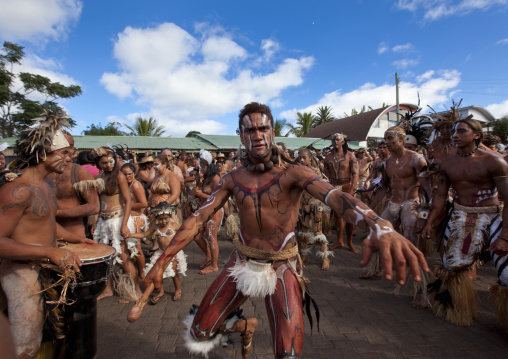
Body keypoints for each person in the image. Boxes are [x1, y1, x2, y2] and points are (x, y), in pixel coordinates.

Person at [135, 102, 428, 359]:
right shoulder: (232, 179)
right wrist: (161, 262)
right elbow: (197, 219)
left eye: (263, 128)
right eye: (250, 131)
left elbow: (335, 197)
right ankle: (245, 325)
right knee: (199, 332)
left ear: (272, 132)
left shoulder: (294, 173)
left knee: (287, 354)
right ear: (241, 136)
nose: (258, 135)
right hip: (242, 263)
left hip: (282, 265)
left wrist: (377, 223)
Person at [0, 112, 88, 358]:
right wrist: (49, 251)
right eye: (64, 153)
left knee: (54, 339)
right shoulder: (17, 191)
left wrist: (78, 240)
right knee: (24, 348)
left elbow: (47, 223)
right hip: (21, 272)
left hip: (47, 268)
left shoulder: (47, 185)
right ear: (42, 154)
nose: (69, 159)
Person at [422, 118, 508, 328]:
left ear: (476, 135)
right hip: (460, 217)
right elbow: (441, 196)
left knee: (507, 274)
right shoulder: (448, 164)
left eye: (461, 131)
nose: (455, 135)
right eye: (453, 132)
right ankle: (458, 310)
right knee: (451, 266)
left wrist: (505, 235)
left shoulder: (494, 161)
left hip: (493, 218)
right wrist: (428, 221)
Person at [92, 146, 134, 301]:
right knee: (105, 258)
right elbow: (97, 202)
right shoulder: (99, 178)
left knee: (124, 257)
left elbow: (128, 201)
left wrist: (124, 224)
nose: (108, 165)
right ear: (99, 164)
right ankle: (108, 289)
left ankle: (135, 291)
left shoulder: (120, 177)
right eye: (104, 163)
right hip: (103, 221)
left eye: (110, 161)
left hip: (117, 220)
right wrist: (94, 222)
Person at [130, 202, 187, 303]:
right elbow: (144, 234)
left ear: (170, 216)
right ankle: (160, 291)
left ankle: (177, 289)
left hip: (172, 252)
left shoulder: (174, 225)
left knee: (174, 272)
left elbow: (184, 234)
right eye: (161, 219)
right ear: (156, 218)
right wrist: (130, 235)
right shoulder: (155, 227)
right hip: (161, 253)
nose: (163, 221)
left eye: (166, 218)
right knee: (158, 273)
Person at [47, 133, 100, 238]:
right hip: (45, 235)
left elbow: (94, 206)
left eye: (71, 146)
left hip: (73, 233)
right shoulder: (41, 173)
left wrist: (56, 213)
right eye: (62, 146)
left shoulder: (79, 172)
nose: (69, 151)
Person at [296, 148, 333, 270]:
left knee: (318, 233)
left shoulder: (315, 172)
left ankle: (325, 257)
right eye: (299, 157)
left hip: (314, 205)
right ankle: (304, 254)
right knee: (303, 232)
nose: (301, 160)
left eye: (304, 158)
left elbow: (321, 191)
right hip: (302, 206)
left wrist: (319, 210)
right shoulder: (296, 171)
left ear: (310, 159)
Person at [323, 133, 359, 252]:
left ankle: (349, 242)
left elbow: (355, 174)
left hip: (346, 186)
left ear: (343, 142)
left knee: (349, 216)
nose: (335, 141)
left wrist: (352, 189)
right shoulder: (328, 157)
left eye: (338, 139)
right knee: (338, 216)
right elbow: (325, 175)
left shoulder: (350, 155)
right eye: (333, 139)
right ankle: (340, 241)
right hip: (333, 187)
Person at [193, 149, 224, 274]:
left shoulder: (215, 179)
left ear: (210, 166)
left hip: (214, 212)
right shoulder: (205, 178)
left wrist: (201, 194)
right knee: (196, 236)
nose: (202, 168)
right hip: (204, 211)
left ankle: (214, 265)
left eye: (204, 166)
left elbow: (219, 198)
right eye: (201, 165)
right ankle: (208, 256)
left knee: (212, 238)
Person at [121, 163, 148, 280]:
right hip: (127, 218)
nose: (127, 177)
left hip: (136, 218)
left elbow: (144, 204)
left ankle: (142, 274)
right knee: (128, 248)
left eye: (129, 174)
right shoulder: (123, 184)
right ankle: (133, 272)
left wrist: (127, 205)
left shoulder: (136, 186)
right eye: (124, 174)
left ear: (134, 174)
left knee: (136, 248)